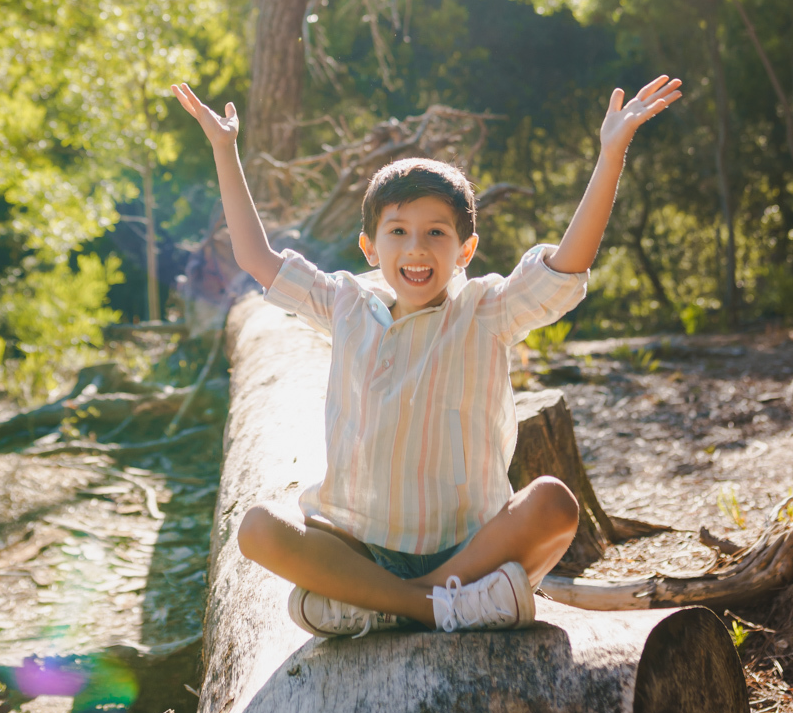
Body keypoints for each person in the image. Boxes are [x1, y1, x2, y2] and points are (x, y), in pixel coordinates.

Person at [171, 75, 681, 637]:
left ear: (465, 250)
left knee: (554, 506)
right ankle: (441, 606)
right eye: (398, 231)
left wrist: (611, 152)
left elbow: (567, 263)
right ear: (370, 247)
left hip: (470, 547)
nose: (416, 248)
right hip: (361, 544)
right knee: (258, 529)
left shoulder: (487, 310)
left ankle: (380, 605)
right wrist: (224, 149)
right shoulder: (346, 303)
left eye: (436, 233)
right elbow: (254, 256)